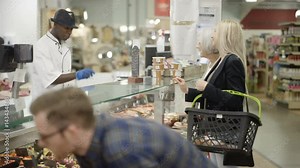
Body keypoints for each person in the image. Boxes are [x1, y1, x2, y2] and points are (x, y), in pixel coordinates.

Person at [30, 87, 217, 168]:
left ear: (71, 131)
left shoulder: (120, 150)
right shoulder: (87, 143)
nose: (42, 142)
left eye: (45, 135)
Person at [173, 20, 247, 167]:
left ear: (225, 36)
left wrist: (207, 88)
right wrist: (187, 90)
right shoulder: (222, 60)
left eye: (215, 32)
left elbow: (237, 99)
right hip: (216, 129)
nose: (212, 35)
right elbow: (216, 92)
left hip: (225, 130)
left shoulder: (232, 61)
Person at [30, 9, 95, 99]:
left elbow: (65, 74)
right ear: (55, 24)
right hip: (45, 102)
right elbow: (52, 79)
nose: (69, 32)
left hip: (62, 101)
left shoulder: (65, 46)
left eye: (71, 29)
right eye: (66, 28)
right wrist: (76, 75)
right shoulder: (42, 46)